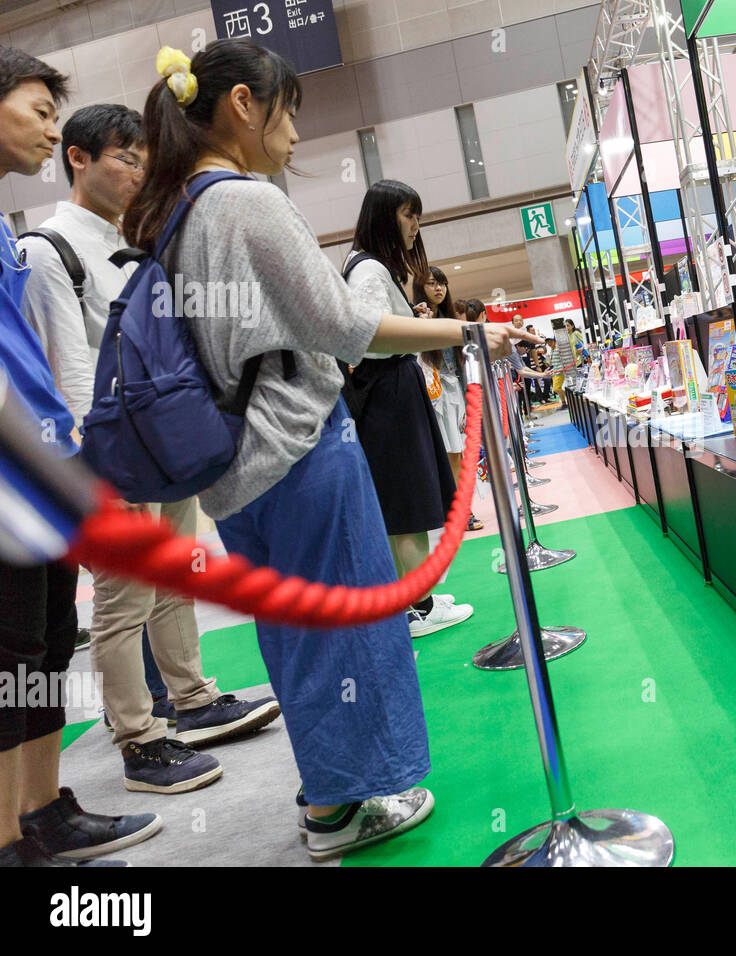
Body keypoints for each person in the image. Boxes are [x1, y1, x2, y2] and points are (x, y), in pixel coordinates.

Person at [122, 39, 535, 860]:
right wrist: (464, 328)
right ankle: (346, 806)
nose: (296, 137)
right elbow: (344, 326)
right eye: (289, 114)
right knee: (349, 632)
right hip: (300, 452)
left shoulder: (172, 217)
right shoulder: (245, 202)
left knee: (296, 640)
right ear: (243, 104)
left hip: (232, 476)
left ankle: (327, 798)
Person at [19, 102, 279, 796]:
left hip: (163, 442)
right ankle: (138, 736)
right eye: (122, 157)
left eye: (142, 158)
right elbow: (66, 368)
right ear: (78, 158)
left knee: (175, 581)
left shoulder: (131, 237)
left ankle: (191, 699)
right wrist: (96, 465)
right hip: (110, 454)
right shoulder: (50, 248)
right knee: (120, 602)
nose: (137, 170)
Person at [0, 45, 158, 867]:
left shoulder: (1, 225)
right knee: (8, 654)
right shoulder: (42, 246)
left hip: (42, 464)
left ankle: (41, 812)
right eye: (36, 110)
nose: (47, 127)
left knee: (45, 647)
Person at [342, 181, 473, 639]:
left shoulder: (372, 268)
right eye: (407, 214)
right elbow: (373, 337)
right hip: (387, 393)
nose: (416, 225)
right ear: (383, 217)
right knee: (406, 504)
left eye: (417, 214)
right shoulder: (368, 271)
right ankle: (418, 605)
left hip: (393, 389)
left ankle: (418, 599)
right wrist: (446, 332)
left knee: (408, 499)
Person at [416, 267, 481, 532]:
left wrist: (469, 399)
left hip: (452, 392)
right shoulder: (415, 316)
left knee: (456, 455)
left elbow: (462, 363)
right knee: (437, 456)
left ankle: (461, 512)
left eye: (441, 283)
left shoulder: (452, 318)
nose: (438, 288)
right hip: (429, 393)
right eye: (432, 283)